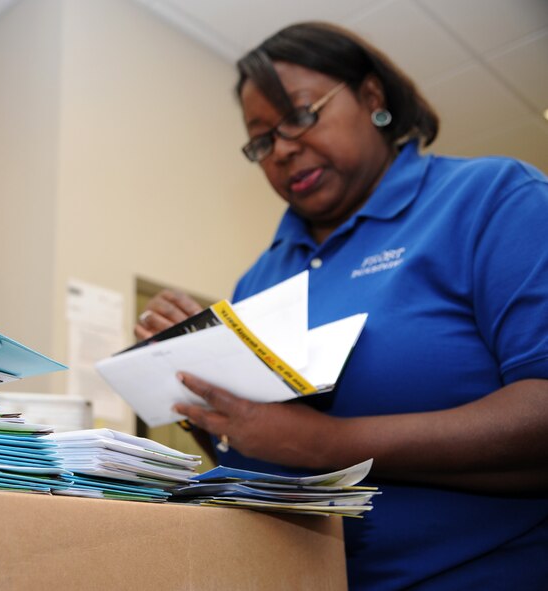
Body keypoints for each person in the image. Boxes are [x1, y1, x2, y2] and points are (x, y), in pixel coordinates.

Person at [135, 22, 548, 590]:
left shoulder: (492, 199)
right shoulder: (262, 277)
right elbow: (263, 451)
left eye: (301, 115)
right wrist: (202, 397)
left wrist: (323, 444)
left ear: (372, 98)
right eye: (262, 140)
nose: (281, 149)